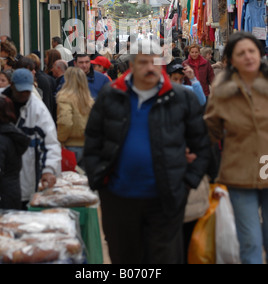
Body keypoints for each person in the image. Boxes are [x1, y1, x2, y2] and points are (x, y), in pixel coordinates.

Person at [83, 41, 211, 264]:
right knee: (124, 259)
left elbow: (202, 145)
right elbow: (93, 140)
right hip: (118, 198)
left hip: (165, 199)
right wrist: (98, 180)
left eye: (155, 61)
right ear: (131, 65)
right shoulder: (111, 96)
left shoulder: (181, 98)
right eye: (143, 62)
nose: (150, 67)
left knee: (163, 259)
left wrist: (187, 182)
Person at [204, 31, 268, 264]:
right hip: (239, 170)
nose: (248, 57)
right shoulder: (222, 91)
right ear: (231, 60)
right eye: (241, 53)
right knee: (249, 239)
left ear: (259, 54)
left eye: (252, 51)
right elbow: (211, 130)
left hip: (267, 165)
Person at [0, 68, 61, 207]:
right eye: (20, 90)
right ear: (12, 85)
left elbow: (50, 143)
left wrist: (48, 170)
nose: (24, 94)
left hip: (24, 174)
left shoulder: (38, 109)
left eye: (27, 91)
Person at [56, 67, 94, 164]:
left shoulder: (64, 97)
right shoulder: (89, 100)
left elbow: (65, 122)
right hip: (87, 146)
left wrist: (60, 139)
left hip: (70, 145)